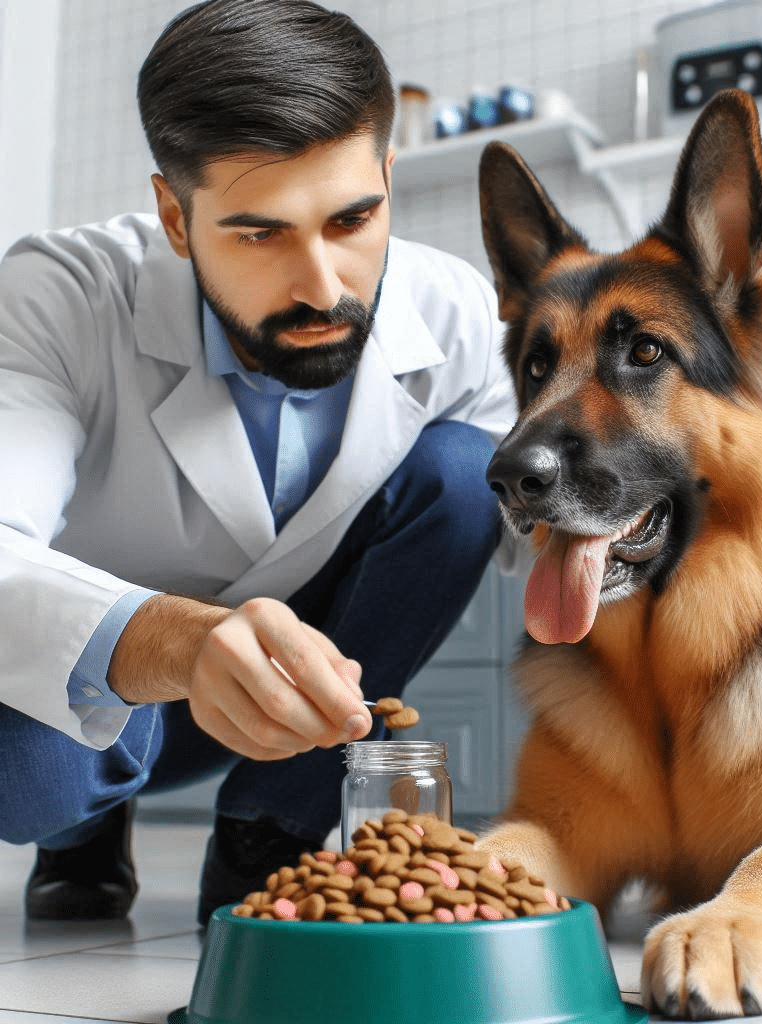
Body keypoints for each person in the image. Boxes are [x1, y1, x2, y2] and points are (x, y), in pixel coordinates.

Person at [0, 0, 522, 926]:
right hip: (113, 708)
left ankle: (269, 826)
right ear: (173, 213)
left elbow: (532, 535)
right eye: (259, 233)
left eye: (354, 218)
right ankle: (81, 831)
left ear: (389, 178)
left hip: (292, 697)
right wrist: (182, 643)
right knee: (25, 773)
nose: (323, 286)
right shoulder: (60, 294)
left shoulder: (454, 313)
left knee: (465, 474)